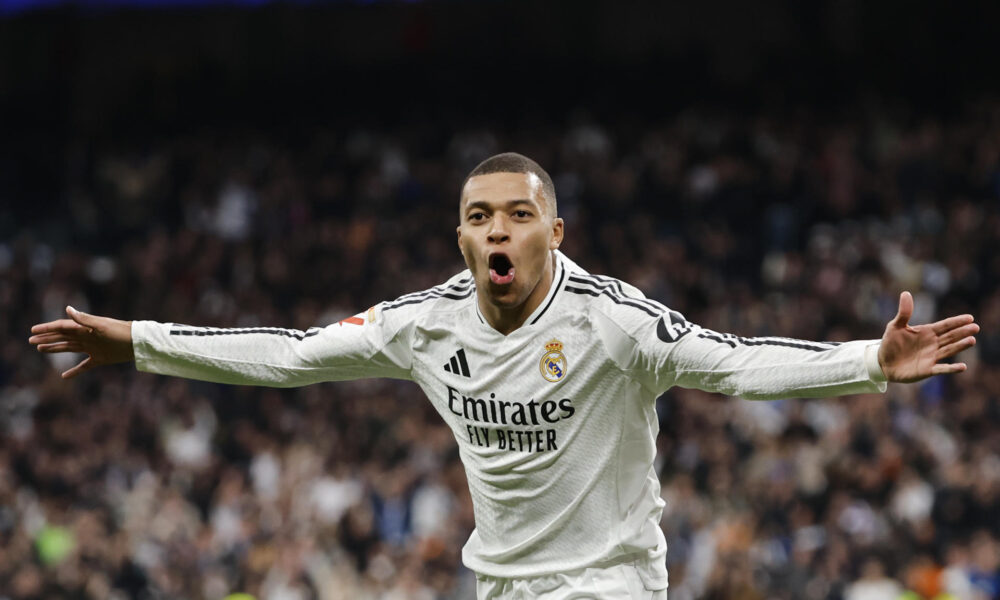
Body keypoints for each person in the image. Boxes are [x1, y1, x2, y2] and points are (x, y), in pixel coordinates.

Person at [29, 152, 979, 599]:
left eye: (517, 215)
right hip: (501, 585)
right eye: (480, 215)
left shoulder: (613, 321)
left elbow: (733, 364)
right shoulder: (423, 324)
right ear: (459, 234)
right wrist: (140, 342)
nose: (497, 230)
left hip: (608, 582)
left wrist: (868, 362)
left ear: (553, 232)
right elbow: (288, 355)